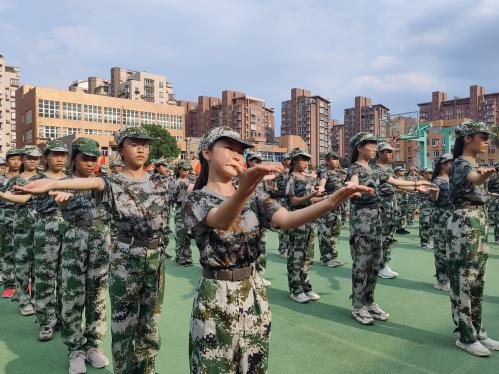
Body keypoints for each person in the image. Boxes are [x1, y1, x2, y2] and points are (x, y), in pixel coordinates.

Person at [183, 126, 372, 373]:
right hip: (216, 293)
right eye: (229, 148)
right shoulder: (197, 198)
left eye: (240, 151)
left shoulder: (255, 195)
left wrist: (332, 201)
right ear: (207, 152)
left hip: (252, 289)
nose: (237, 156)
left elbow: (287, 219)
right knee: (215, 366)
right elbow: (221, 220)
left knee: (254, 364)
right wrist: (244, 189)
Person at [19, 126, 171, 374]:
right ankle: (75, 349)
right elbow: (50, 209)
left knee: (97, 296)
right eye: (84, 158)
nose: (90, 163)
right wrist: (57, 196)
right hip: (75, 239)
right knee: (73, 295)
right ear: (75, 158)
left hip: (102, 239)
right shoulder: (66, 183)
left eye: (94, 159)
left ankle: (93, 345)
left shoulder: (107, 182)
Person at [347, 133, 434, 325]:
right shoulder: (355, 168)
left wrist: (417, 184)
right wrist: (354, 187)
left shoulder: (375, 169)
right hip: (362, 219)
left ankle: (369, 302)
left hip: (377, 219)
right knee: (362, 263)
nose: (374, 148)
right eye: (370, 144)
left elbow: (395, 182)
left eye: (374, 144)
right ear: (359, 148)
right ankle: (358, 305)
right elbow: (352, 183)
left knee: (375, 262)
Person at [446, 121, 499, 356]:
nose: (487, 140)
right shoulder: (460, 162)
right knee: (464, 279)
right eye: (482, 135)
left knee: (478, 279)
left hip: (478, 218)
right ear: (467, 138)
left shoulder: (475, 162)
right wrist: (481, 176)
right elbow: (473, 178)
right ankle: (465, 336)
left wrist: (482, 175)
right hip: (464, 220)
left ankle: (478, 331)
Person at [4, 145, 41, 316]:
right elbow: (7, 201)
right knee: (22, 264)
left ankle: (36, 298)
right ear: (23, 159)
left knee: (39, 265)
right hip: (21, 226)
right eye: (29, 157)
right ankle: (24, 300)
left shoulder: (43, 178)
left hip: (41, 226)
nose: (33, 160)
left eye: (36, 158)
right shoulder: (14, 180)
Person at [285, 148, 323, 303]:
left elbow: (310, 200)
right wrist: (311, 195)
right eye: (303, 159)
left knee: (307, 256)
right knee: (296, 255)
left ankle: (305, 286)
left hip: (309, 220)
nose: (306, 163)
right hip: (297, 219)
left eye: (308, 160)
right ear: (294, 161)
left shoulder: (306, 179)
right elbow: (293, 201)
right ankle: (295, 289)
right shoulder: (291, 179)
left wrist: (327, 199)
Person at [372, 142, 399, 279]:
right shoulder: (375, 168)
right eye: (388, 151)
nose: (391, 154)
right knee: (381, 236)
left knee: (389, 237)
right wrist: (416, 184)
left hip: (391, 204)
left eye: (391, 151)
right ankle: (379, 266)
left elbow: (395, 186)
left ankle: (384, 263)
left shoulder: (388, 168)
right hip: (382, 205)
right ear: (380, 152)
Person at [316, 151, 345, 268]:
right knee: (325, 232)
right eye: (333, 159)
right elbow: (322, 183)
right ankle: (325, 258)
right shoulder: (324, 172)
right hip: (327, 207)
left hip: (337, 208)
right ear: (327, 161)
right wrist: (321, 189)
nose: (337, 161)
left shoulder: (339, 173)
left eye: (337, 158)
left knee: (334, 233)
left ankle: (332, 256)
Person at [0, 149, 22, 298]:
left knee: (24, 251)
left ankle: (25, 283)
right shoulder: (1, 179)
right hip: (3, 217)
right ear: (7, 161)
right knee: (6, 251)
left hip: (22, 216)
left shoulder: (24, 179)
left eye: (18, 159)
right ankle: (9, 284)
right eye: (12, 159)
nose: (16, 162)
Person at [430, 153, 453, 292]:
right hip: (441, 216)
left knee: (452, 249)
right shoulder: (437, 181)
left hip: (453, 216)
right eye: (450, 162)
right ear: (443, 165)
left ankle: (450, 278)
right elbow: (434, 198)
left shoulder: (453, 179)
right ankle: (441, 280)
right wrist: (433, 192)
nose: (452, 165)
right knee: (441, 249)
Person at [173, 160, 194, 266]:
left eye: (188, 170)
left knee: (187, 235)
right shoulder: (177, 182)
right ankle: (180, 257)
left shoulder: (189, 181)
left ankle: (187, 257)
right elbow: (177, 199)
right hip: (180, 211)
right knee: (180, 235)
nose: (186, 172)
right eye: (184, 170)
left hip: (188, 211)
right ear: (179, 170)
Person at [419, 167, 434, 249]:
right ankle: (424, 242)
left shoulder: (434, 182)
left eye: (431, 172)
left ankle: (430, 241)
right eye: (427, 173)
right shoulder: (420, 183)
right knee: (425, 224)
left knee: (432, 224)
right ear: (423, 174)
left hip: (433, 206)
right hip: (425, 206)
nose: (429, 174)